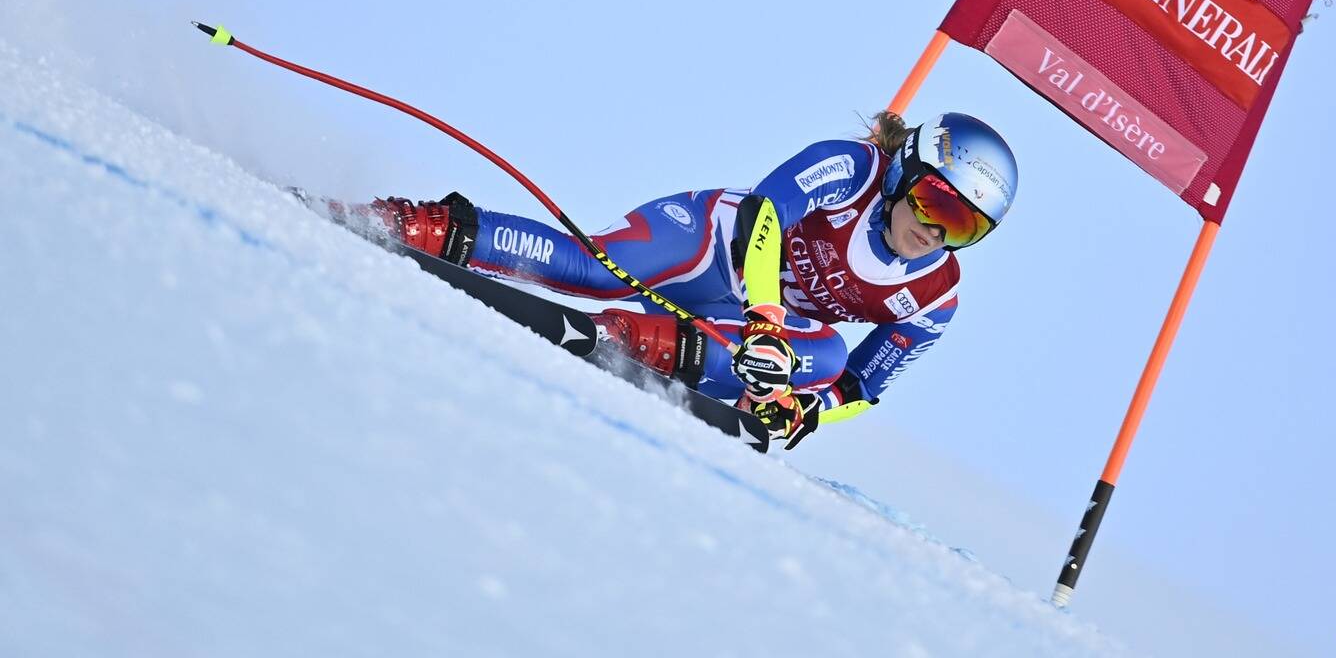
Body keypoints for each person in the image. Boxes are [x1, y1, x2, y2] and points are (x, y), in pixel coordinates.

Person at [371, 111, 1017, 447]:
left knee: (828, 354)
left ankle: (632, 341)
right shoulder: (855, 168)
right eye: (937, 204)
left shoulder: (936, 295)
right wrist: (764, 314)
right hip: (711, 243)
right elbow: (765, 215)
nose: (936, 233)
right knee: (591, 268)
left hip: (750, 321)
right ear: (907, 172)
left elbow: (861, 385)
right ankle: (420, 228)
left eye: (965, 227)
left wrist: (806, 414)